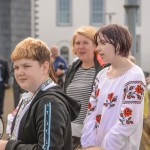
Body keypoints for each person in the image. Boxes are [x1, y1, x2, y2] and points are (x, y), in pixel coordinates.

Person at [0, 37, 80, 150]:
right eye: (16, 67)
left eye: (26, 66)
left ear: (44, 67)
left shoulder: (50, 102)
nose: (19, 72)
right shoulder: (30, 96)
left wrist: (7, 146)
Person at [81, 24, 146, 150]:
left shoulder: (134, 75)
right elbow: (91, 112)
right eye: (97, 44)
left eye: (103, 43)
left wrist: (105, 148)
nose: (98, 49)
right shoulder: (101, 75)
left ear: (118, 43)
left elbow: (128, 121)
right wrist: (89, 144)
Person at [63, 26, 108, 150]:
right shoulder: (72, 68)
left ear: (95, 46)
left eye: (85, 43)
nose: (80, 46)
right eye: (77, 43)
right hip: (69, 133)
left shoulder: (104, 69)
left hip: (91, 133)